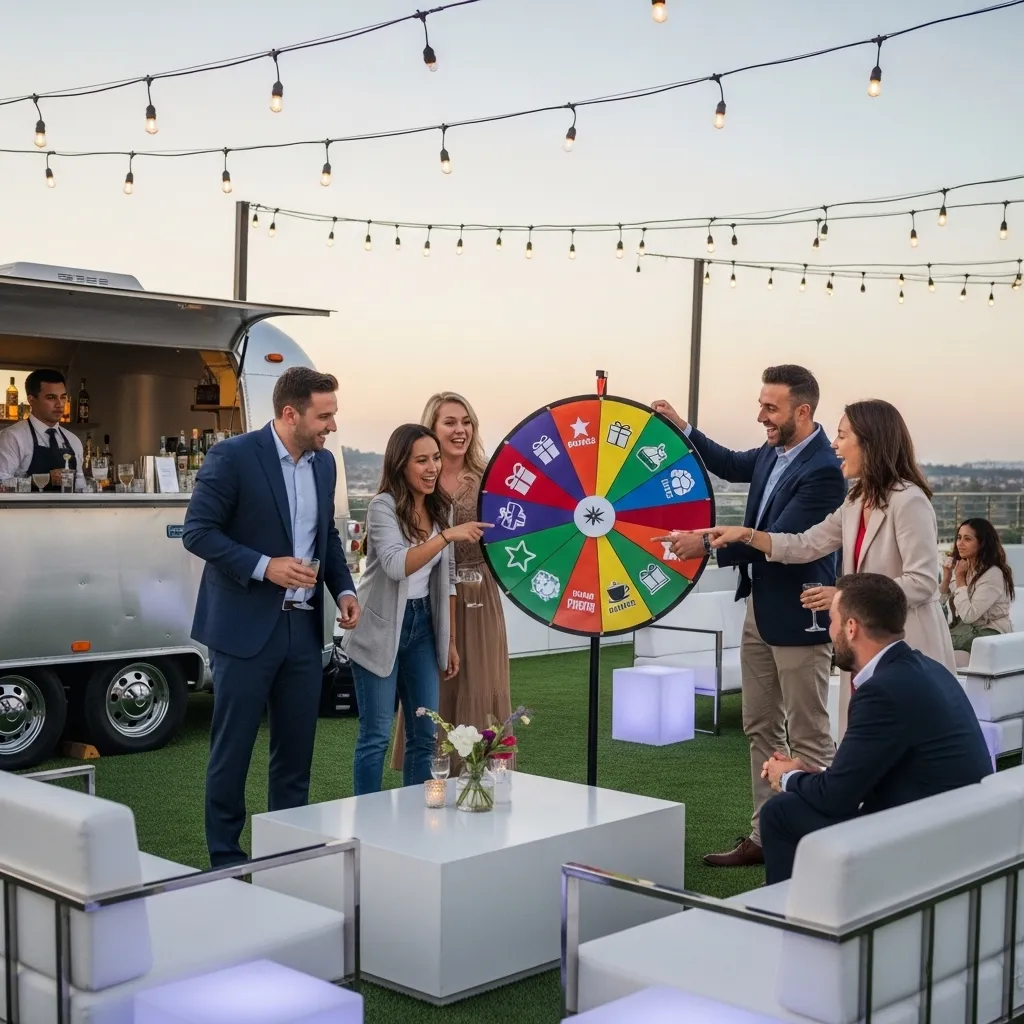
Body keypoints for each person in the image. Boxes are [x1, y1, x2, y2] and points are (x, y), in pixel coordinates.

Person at [653, 364, 846, 870]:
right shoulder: (773, 450)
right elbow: (733, 463)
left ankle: (816, 844)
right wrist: (685, 430)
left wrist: (705, 545)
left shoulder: (825, 470)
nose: (760, 415)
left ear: (802, 412)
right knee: (760, 726)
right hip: (760, 611)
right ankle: (766, 836)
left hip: (800, 617)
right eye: (761, 404)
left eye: (770, 407)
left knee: (808, 736)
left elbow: (779, 542)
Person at [696, 399, 957, 740]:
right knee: (867, 741)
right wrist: (745, 535)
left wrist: (845, 596)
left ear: (870, 442)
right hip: (865, 645)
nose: (834, 444)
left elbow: (922, 583)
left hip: (907, 646)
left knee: (903, 746)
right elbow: (805, 543)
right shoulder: (855, 501)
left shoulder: (909, 500)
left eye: (842, 436)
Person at [182, 366, 359, 867]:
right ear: (290, 413)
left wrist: (342, 589)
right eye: (324, 416)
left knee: (295, 752)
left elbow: (325, 538)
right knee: (232, 749)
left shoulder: (324, 465)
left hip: (302, 631)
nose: (332, 426)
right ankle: (224, 855)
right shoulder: (233, 456)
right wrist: (265, 567)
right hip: (243, 629)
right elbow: (198, 532)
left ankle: (286, 851)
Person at [758, 573, 992, 885]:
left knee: (780, 813)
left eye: (832, 620)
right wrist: (813, 773)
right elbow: (872, 771)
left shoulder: (882, 690)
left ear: (851, 627)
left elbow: (837, 798)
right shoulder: (926, 669)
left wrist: (785, 777)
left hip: (925, 843)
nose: (830, 631)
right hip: (957, 827)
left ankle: (794, 924)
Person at [345, 423, 492, 794]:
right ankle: (368, 821)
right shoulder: (383, 506)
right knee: (375, 736)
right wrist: (446, 536)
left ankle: (415, 822)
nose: (432, 468)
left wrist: (451, 640)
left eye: (436, 459)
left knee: (425, 734)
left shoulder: (442, 509)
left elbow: (450, 576)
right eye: (422, 460)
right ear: (401, 465)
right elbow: (397, 565)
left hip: (423, 626)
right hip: (379, 628)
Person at [390, 392, 513, 775]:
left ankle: (481, 775)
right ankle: (431, 778)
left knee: (481, 680)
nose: (460, 430)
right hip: (429, 594)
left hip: (479, 591)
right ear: (432, 426)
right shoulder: (418, 478)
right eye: (450, 422)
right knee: (434, 686)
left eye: (466, 422)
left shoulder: (489, 477)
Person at [0, 369, 85, 491]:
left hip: (68, 510)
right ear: (31, 400)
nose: (60, 404)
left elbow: (80, 487)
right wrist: (44, 479)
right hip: (25, 510)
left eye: (63, 397)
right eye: (51, 398)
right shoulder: (12, 437)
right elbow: (2, 483)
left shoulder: (73, 440)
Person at [941, 518, 1015, 653]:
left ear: (982, 543)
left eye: (967, 539)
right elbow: (937, 607)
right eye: (959, 538)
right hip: (964, 629)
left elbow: (969, 615)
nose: (960, 544)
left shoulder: (993, 574)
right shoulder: (962, 568)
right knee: (928, 638)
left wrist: (959, 579)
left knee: (935, 643)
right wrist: (946, 577)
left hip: (988, 633)